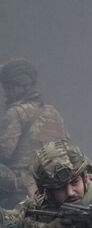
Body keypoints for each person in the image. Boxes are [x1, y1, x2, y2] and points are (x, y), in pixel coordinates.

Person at [0, 58, 69, 208]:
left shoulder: (16, 113)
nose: (5, 91)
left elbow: (4, 153)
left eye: (7, 86)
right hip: (52, 188)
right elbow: (67, 148)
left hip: (20, 188)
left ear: (18, 86)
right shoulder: (53, 112)